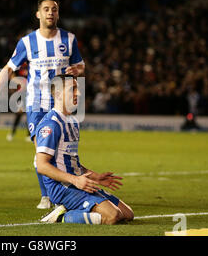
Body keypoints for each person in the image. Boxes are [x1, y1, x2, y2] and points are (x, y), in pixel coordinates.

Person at [0, 0, 85, 209]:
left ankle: (63, 193)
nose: (51, 12)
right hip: (36, 104)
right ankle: (47, 196)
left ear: (58, 14)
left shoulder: (68, 39)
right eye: (47, 9)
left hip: (61, 104)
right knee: (42, 149)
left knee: (63, 150)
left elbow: (81, 66)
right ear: (38, 14)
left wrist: (77, 70)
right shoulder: (27, 42)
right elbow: (8, 69)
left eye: (54, 9)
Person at [36, 75, 134, 224]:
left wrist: (96, 177)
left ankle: (72, 209)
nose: (79, 93)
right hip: (62, 187)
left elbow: (71, 162)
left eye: (78, 89)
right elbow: (42, 165)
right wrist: (75, 180)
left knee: (127, 214)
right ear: (57, 94)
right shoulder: (51, 124)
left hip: (78, 183)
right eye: (72, 89)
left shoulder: (72, 122)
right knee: (113, 216)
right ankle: (62, 216)